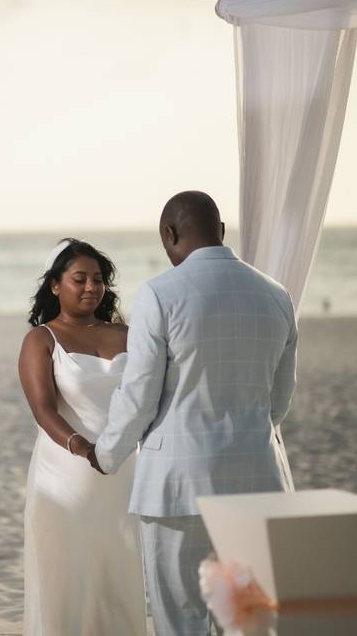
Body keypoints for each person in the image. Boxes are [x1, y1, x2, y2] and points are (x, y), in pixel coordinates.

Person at [89, 191, 298, 635]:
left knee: (181, 619)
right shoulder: (277, 295)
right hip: (257, 479)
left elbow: (141, 395)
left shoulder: (160, 294)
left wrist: (106, 454)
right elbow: (279, 402)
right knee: (246, 621)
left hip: (176, 485)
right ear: (221, 232)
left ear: (169, 234)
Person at [18, 238, 147, 635]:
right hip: (66, 472)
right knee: (69, 573)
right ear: (55, 285)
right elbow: (43, 409)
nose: (91, 287)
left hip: (125, 472)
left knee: (119, 567)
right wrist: (82, 447)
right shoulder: (42, 340)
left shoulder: (129, 334)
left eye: (98, 279)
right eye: (79, 279)